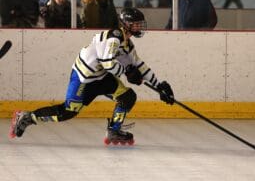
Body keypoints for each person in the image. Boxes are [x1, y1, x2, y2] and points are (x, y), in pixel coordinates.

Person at [9, 8, 175, 145]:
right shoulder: (114, 37)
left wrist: (159, 85)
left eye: (140, 24)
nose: (140, 27)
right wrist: (127, 73)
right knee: (68, 111)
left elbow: (139, 65)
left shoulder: (126, 43)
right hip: (84, 79)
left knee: (127, 97)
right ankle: (26, 117)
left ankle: (114, 131)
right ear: (126, 25)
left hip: (101, 77)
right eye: (136, 24)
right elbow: (107, 62)